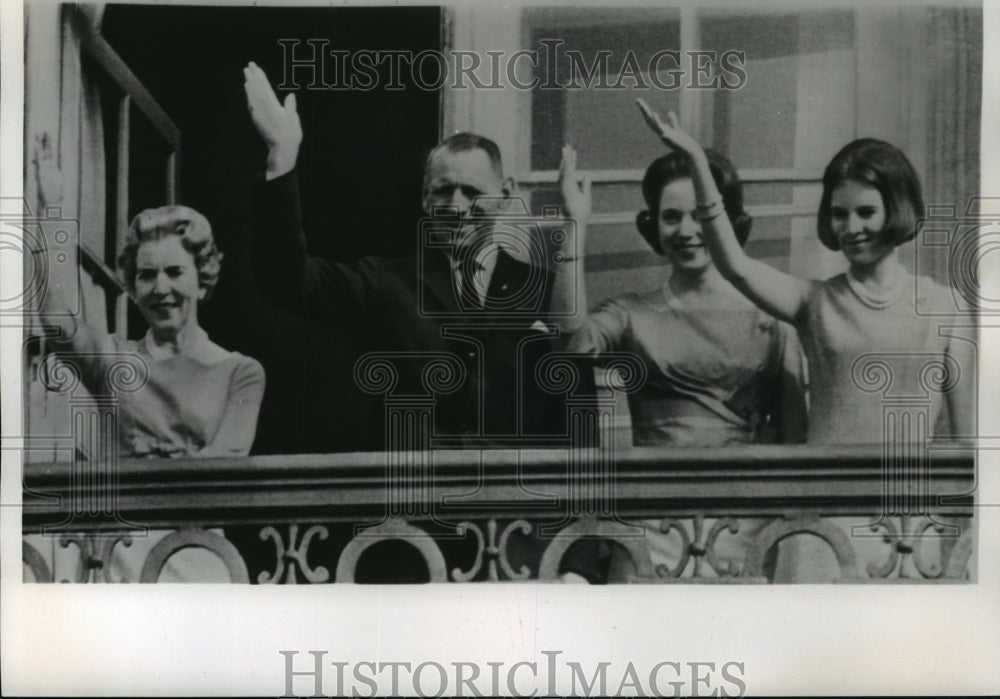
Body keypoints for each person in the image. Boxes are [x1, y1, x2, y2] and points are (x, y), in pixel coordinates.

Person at [243, 62, 601, 581]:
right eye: (442, 192)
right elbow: (286, 281)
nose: (455, 206)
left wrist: (577, 559)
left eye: (472, 193)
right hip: (407, 546)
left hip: (515, 547)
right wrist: (283, 156)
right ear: (424, 199)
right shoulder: (386, 282)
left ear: (506, 194)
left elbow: (576, 425)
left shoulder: (547, 293)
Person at [635, 101, 975, 580]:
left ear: (898, 209)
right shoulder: (812, 302)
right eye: (839, 214)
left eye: (865, 212)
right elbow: (732, 261)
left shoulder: (946, 307)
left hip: (909, 528)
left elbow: (967, 444)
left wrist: (967, 545)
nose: (851, 227)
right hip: (821, 526)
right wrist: (695, 161)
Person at [561, 143, 808, 580]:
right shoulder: (629, 313)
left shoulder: (772, 323)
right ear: (653, 225)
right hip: (650, 520)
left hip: (743, 521)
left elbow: (794, 438)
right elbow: (570, 346)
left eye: (700, 215)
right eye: (671, 217)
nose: (686, 230)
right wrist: (574, 225)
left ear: (729, 223)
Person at [31, 134, 265, 580]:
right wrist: (52, 210)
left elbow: (220, 470)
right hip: (120, 552)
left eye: (175, 272)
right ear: (133, 287)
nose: (161, 289)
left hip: (196, 553)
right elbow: (59, 320)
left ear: (203, 279)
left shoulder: (242, 372)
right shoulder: (114, 360)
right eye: (146, 276)